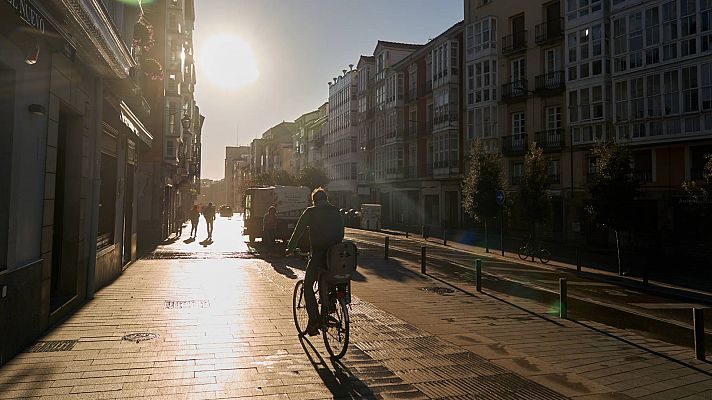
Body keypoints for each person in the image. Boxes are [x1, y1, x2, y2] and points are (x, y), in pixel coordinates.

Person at [286, 188, 344, 336]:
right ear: (326, 198)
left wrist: (291, 248)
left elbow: (297, 232)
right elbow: (341, 233)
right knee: (332, 278)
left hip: (318, 254)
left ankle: (315, 319)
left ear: (314, 200)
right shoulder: (336, 211)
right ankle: (330, 303)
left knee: (308, 286)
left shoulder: (310, 212)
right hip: (335, 255)